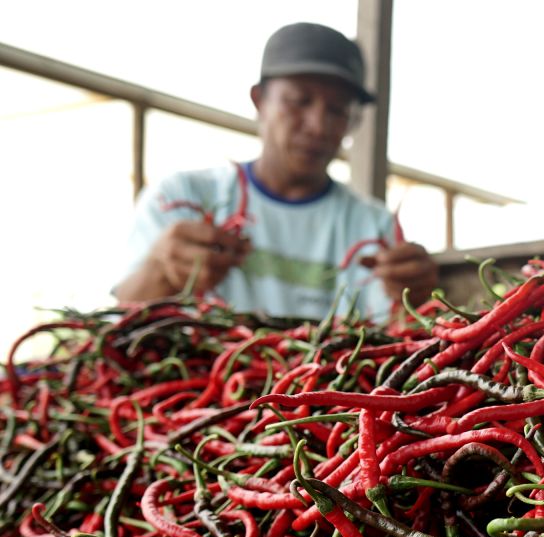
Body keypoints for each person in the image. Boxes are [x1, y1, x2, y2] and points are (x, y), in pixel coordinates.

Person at [116, 22, 438, 321]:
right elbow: (119, 324)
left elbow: (393, 337)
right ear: (260, 101)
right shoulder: (183, 199)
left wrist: (413, 298)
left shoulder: (374, 226)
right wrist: (161, 270)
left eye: (338, 111)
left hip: (321, 384)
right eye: (299, 101)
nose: (318, 126)